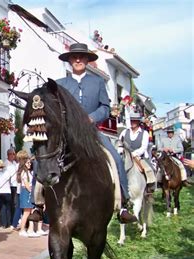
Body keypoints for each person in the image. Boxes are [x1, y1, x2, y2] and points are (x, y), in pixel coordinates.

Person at [57, 43, 137, 224]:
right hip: (67, 132)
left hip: (92, 132)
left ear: (86, 60)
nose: (77, 59)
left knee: (115, 157)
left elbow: (105, 108)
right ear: (69, 60)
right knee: (42, 156)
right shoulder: (61, 84)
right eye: (74, 57)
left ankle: (124, 204)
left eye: (81, 57)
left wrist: (91, 118)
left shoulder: (98, 82)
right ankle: (37, 203)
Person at [119, 112, 156, 190]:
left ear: (138, 122)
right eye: (132, 120)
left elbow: (143, 147)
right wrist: (121, 151)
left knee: (150, 169)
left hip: (139, 157)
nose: (133, 122)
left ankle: (150, 187)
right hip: (125, 156)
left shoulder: (144, 133)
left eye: (135, 121)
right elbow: (119, 143)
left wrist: (133, 154)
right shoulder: (124, 132)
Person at [17, 158, 39, 237]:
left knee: (30, 211)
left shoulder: (29, 172)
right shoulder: (24, 173)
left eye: (30, 163)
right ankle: (22, 229)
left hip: (29, 192)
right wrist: (32, 191)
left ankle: (30, 229)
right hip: (26, 192)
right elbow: (26, 185)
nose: (29, 164)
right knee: (26, 212)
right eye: (28, 163)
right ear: (24, 164)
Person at [0, 159, 12, 229]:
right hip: (7, 192)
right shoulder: (7, 173)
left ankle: (4, 224)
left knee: (2, 208)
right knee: (8, 208)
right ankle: (9, 223)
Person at [5, 149, 18, 227]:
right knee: (12, 204)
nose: (13, 155)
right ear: (8, 155)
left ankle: (14, 220)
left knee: (15, 203)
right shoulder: (6, 163)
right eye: (11, 154)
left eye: (14, 154)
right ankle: (10, 221)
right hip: (10, 186)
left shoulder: (14, 163)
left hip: (16, 184)